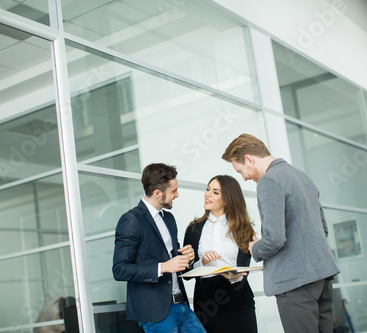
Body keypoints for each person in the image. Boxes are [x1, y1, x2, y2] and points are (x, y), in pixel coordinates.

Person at [222, 134, 340, 333]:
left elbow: (275, 238)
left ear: (249, 159)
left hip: (295, 284)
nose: (244, 178)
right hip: (322, 279)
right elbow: (323, 229)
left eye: (241, 170)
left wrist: (255, 248)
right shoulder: (302, 176)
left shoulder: (268, 181)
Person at [112, 163, 206, 333]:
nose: (177, 195)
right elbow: (119, 270)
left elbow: (175, 260)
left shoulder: (169, 218)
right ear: (157, 193)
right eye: (173, 191)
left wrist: (188, 258)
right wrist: (163, 267)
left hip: (182, 306)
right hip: (156, 312)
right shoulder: (131, 220)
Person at [183, 175, 257, 333]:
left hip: (238, 298)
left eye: (215, 192)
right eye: (208, 189)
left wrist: (235, 276)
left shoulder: (243, 229)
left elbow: (244, 269)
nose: (207, 194)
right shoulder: (193, 229)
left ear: (227, 199)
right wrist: (202, 261)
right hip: (207, 303)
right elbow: (186, 273)